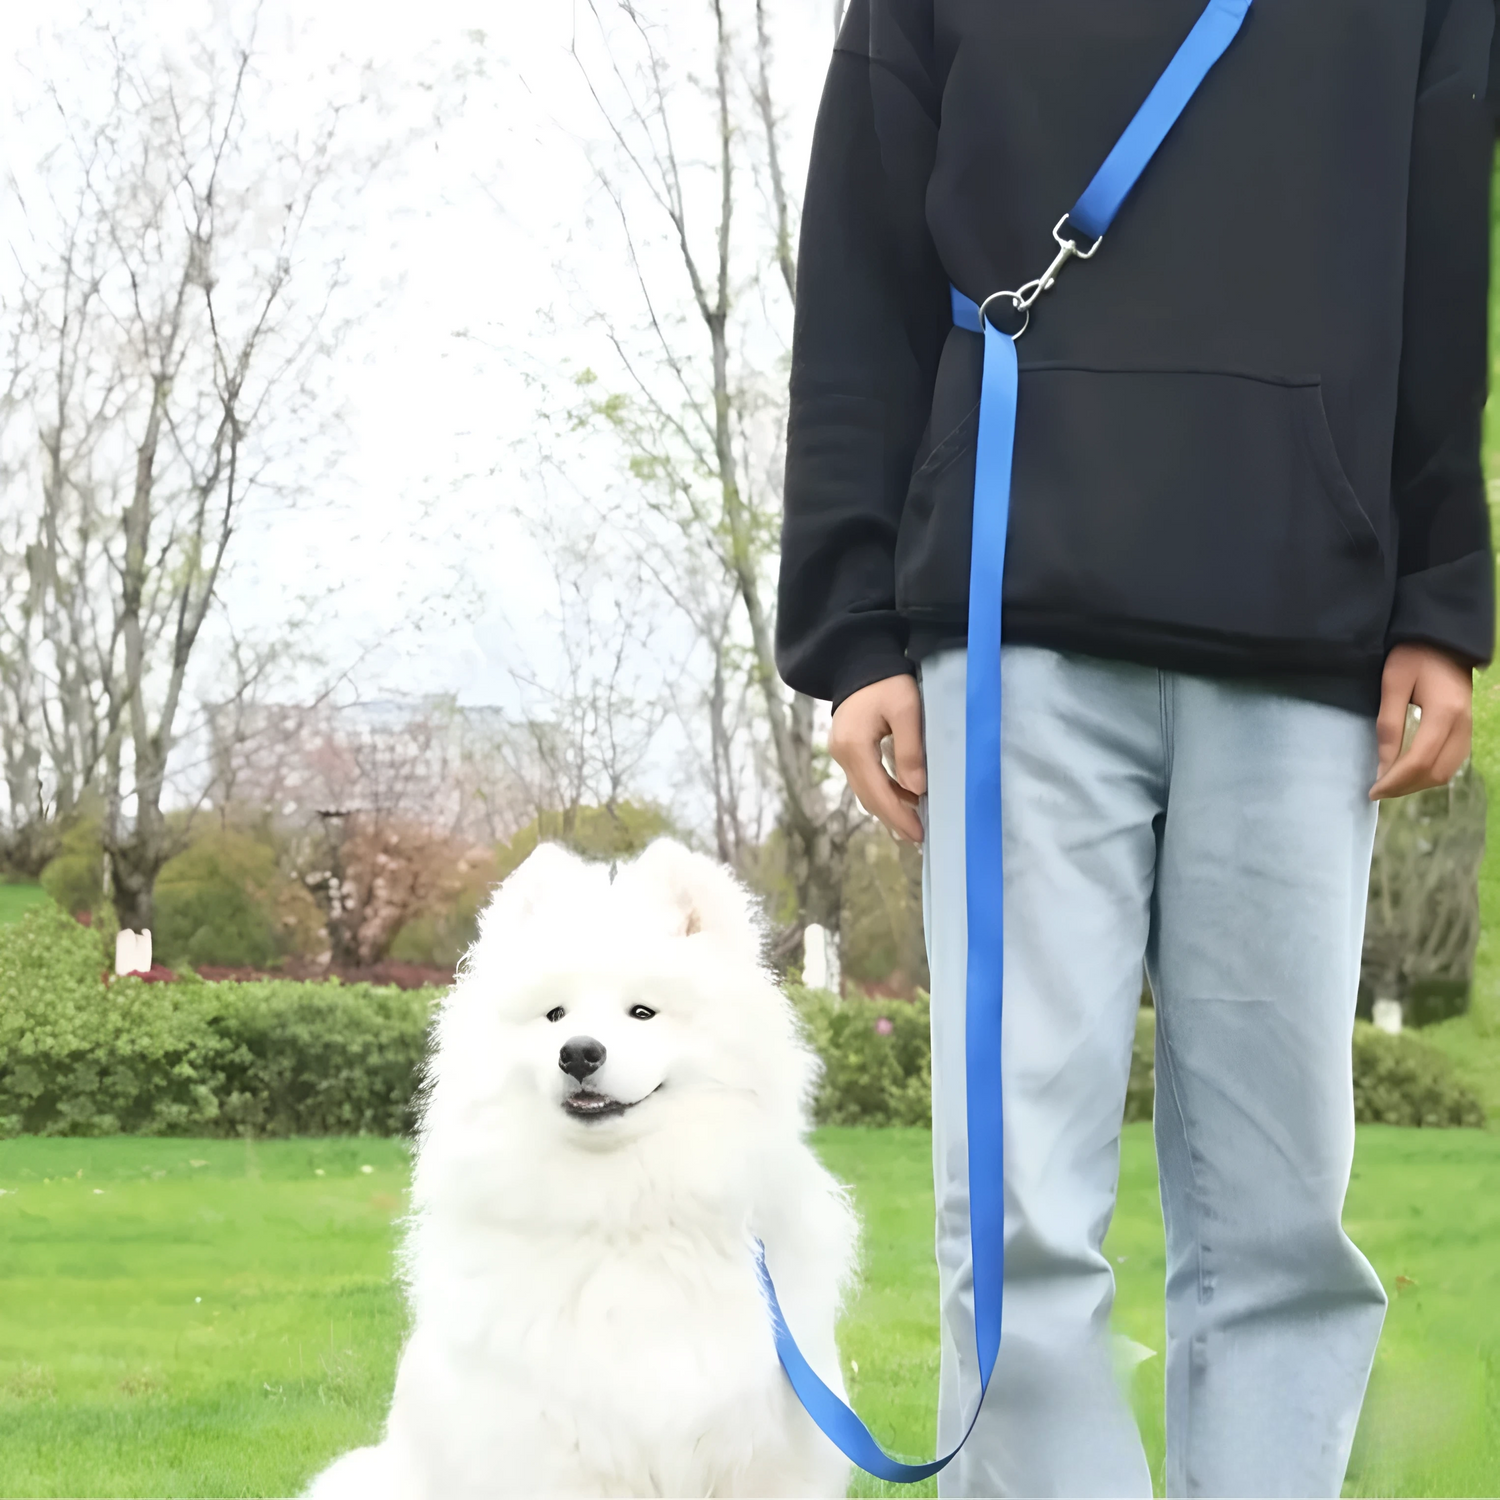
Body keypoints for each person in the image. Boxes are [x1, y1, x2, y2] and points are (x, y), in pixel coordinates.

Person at [775, 0, 1496, 1495]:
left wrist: (1440, 593)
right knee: (1021, 1206)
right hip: (1010, 614)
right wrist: (850, 627)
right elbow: (860, 274)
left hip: (1308, 622)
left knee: (1283, 1222)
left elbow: (1441, 266)